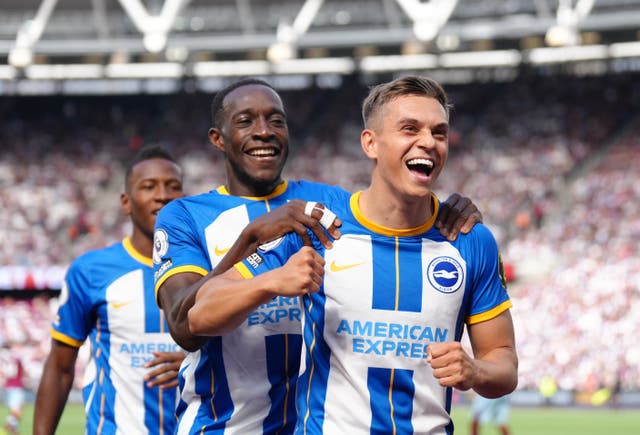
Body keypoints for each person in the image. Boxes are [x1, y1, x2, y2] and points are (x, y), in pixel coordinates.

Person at [186, 76, 518, 434]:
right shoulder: (319, 226)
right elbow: (200, 314)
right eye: (410, 129)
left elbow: (504, 363)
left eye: (439, 133)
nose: (428, 142)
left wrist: (474, 371)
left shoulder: (470, 240)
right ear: (370, 143)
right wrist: (271, 281)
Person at [34, 145, 186, 435]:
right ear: (126, 202)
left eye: (173, 186)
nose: (162, 195)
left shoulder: (209, 269)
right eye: (149, 186)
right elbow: (60, 367)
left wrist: (197, 363)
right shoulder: (91, 271)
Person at [0, 341, 26, 435]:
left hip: (12, 387)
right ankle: (5, 429)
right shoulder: (15, 359)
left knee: (16, 412)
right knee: (17, 412)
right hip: (15, 387)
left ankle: (12, 430)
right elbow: (12, 372)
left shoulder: (8, 359)